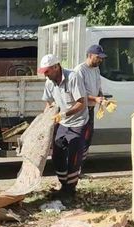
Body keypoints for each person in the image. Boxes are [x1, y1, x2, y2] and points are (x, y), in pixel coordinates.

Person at [38, 54, 88, 202]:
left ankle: (70, 191)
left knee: (73, 157)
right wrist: (46, 119)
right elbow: (49, 103)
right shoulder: (49, 83)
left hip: (78, 122)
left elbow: (81, 103)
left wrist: (64, 113)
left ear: (56, 67)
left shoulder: (73, 77)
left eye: (47, 71)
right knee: (57, 155)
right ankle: (64, 186)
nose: (45, 75)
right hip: (63, 122)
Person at [74, 44, 106, 161]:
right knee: (80, 140)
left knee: (88, 139)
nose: (100, 60)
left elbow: (98, 86)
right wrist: (95, 99)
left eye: (101, 58)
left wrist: (101, 95)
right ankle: (75, 167)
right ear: (90, 55)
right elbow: (79, 95)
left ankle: (80, 166)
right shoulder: (80, 70)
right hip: (81, 110)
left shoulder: (96, 69)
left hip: (91, 109)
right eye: (98, 57)